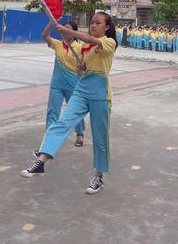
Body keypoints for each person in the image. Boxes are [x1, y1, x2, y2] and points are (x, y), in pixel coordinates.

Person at [20, 12, 118, 195]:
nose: (93, 25)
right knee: (61, 123)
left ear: (106, 27)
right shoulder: (83, 49)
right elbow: (81, 71)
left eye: (98, 23)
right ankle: (41, 161)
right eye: (91, 22)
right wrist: (81, 69)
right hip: (82, 89)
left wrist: (64, 29)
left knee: (100, 138)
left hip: (101, 94)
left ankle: (99, 176)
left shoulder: (109, 42)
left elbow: (90, 39)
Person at [41, 21, 85, 147]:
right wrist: (50, 23)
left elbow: (82, 69)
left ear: (74, 32)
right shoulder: (58, 44)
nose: (65, 32)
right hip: (56, 85)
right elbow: (45, 36)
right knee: (52, 111)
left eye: (68, 30)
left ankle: (80, 133)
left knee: (75, 111)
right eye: (63, 29)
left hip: (73, 85)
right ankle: (49, 138)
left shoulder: (79, 48)